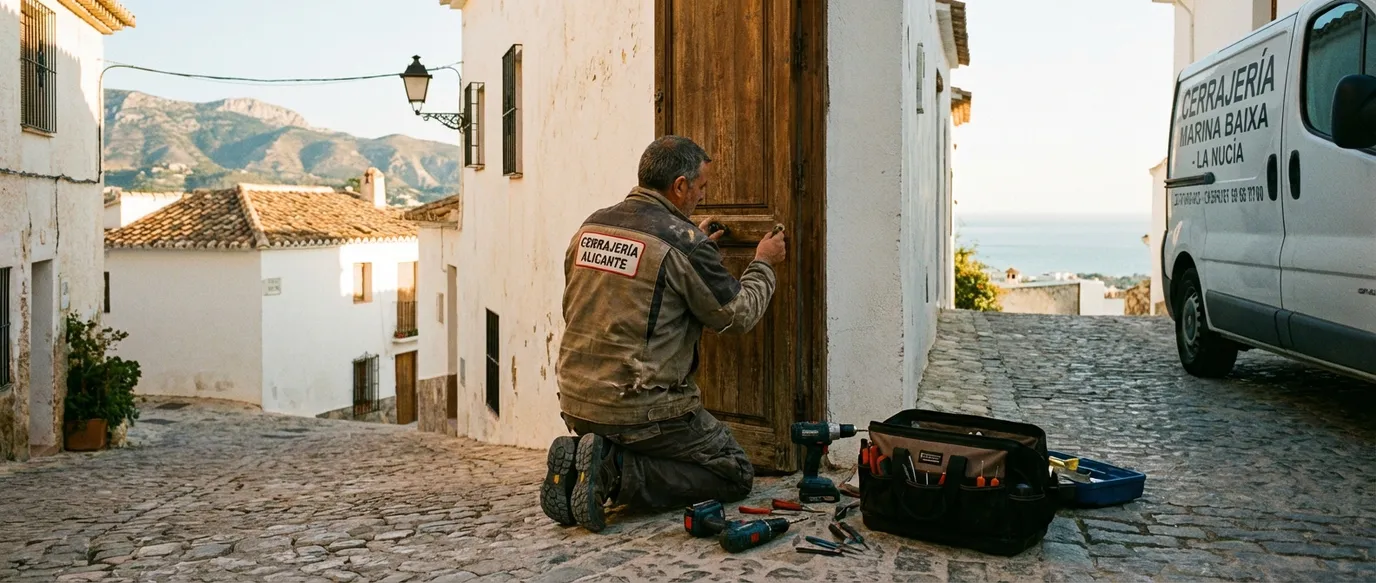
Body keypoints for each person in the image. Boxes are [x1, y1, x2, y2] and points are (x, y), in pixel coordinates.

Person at [540, 135, 788, 532]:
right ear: (679, 186)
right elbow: (738, 315)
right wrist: (763, 262)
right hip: (640, 409)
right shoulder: (682, 244)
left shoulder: (591, 226)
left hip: (576, 402)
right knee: (734, 472)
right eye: (702, 187)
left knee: (636, 434)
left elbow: (627, 284)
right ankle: (614, 471)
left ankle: (586, 458)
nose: (703, 198)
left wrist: (692, 243)